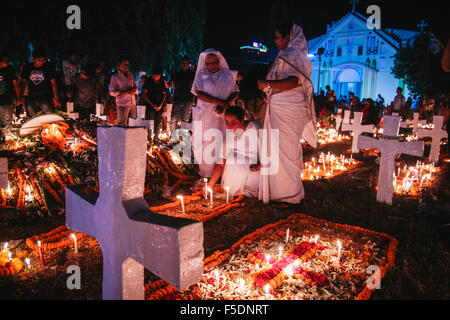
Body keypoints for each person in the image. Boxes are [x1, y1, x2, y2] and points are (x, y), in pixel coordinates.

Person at [257, 22, 317, 206]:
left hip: (289, 107)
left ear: (288, 38)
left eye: (277, 37)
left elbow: (292, 82)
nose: (275, 41)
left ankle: (290, 195)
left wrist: (267, 85)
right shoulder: (286, 55)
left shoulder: (292, 55)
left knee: (287, 150)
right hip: (281, 106)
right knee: (279, 149)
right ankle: (279, 192)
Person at [191, 48, 239, 179]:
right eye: (209, 63)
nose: (212, 66)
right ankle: (207, 173)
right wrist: (220, 102)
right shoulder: (201, 75)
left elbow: (235, 91)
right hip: (206, 115)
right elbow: (199, 93)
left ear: (219, 61)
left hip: (225, 116)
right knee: (207, 141)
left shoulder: (228, 75)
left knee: (223, 141)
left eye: (214, 62)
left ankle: (222, 173)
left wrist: (226, 104)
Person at [206, 106, 261, 198]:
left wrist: (260, 165)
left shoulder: (256, 129)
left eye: (233, 123)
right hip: (235, 171)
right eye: (226, 122)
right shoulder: (231, 133)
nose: (229, 126)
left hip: (255, 170)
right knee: (232, 158)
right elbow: (220, 162)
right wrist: (210, 184)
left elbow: (270, 152)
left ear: (242, 121)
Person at [19, 49, 61, 115]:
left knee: (47, 119)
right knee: (34, 120)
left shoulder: (48, 68)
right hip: (32, 97)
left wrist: (56, 98)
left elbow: (53, 83)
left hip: (45, 98)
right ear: (34, 59)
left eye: (42, 60)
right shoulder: (27, 68)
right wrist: (21, 96)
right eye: (39, 60)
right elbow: (23, 83)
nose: (41, 62)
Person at [109, 57, 139, 126]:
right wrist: (124, 93)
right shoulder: (115, 77)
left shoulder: (131, 75)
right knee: (122, 124)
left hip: (133, 103)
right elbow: (111, 92)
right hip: (122, 104)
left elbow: (136, 88)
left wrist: (134, 90)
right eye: (125, 64)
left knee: (133, 124)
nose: (127, 66)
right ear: (119, 65)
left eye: (128, 65)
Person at [139, 65, 167, 137]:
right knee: (148, 122)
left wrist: (161, 105)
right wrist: (151, 104)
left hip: (159, 105)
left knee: (157, 122)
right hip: (149, 105)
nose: (155, 77)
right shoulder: (148, 81)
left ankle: (156, 138)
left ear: (160, 75)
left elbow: (164, 94)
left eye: (157, 76)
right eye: (154, 75)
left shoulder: (162, 82)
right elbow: (143, 94)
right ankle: (148, 138)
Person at [169, 57, 195, 133]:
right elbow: (170, 85)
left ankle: (183, 138)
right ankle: (174, 137)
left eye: (187, 63)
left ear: (189, 64)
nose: (185, 65)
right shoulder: (176, 74)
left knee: (185, 121)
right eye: (183, 63)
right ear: (181, 64)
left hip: (188, 99)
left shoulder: (192, 74)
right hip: (177, 99)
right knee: (174, 119)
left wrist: (193, 99)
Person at [0, 52, 20, 127]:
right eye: (6, 61)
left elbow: (15, 84)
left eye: (8, 61)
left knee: (7, 121)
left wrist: (18, 97)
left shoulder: (9, 69)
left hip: (6, 99)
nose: (8, 63)